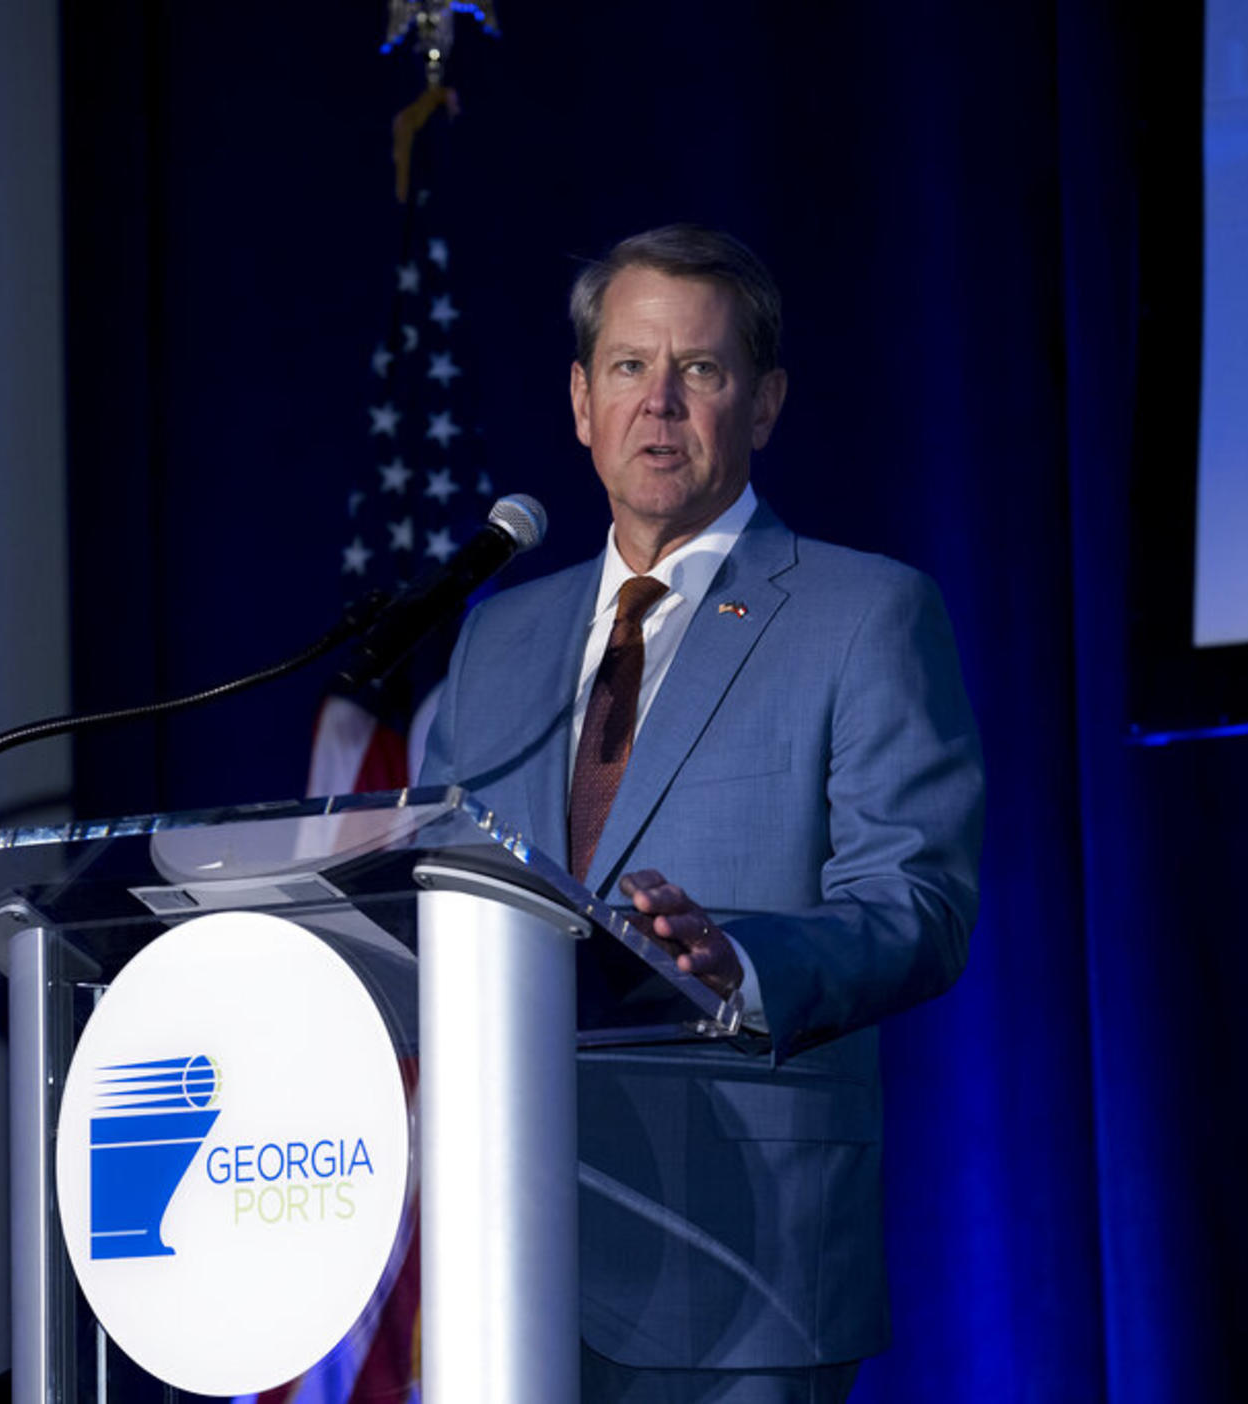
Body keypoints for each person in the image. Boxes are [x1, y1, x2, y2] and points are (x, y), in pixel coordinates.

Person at [418, 225, 983, 1402]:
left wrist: (741, 964)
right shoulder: (496, 637)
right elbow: (437, 886)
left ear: (764, 404)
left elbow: (919, 904)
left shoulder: (865, 612)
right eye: (628, 367)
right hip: (503, 1249)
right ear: (580, 402)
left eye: (702, 371)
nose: (660, 404)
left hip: (742, 1254)